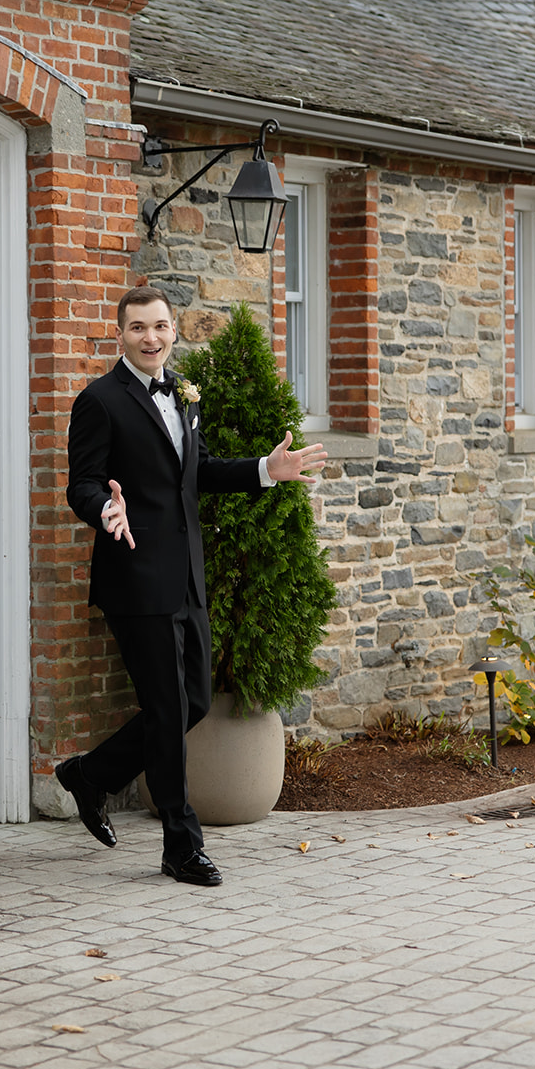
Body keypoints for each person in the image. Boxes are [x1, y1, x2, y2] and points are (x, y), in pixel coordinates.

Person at [58, 284, 326, 886]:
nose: (150, 337)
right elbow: (81, 483)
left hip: (186, 575)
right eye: (137, 328)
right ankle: (181, 846)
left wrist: (266, 470)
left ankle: (90, 774)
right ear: (119, 335)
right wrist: (104, 508)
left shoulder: (183, 391)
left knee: (195, 702)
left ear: (173, 331)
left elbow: (196, 472)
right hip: (135, 576)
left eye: (159, 326)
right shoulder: (98, 400)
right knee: (168, 708)